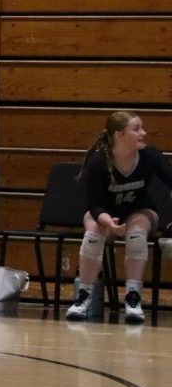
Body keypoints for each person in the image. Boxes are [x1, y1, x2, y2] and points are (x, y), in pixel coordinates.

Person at [66, 111, 172, 323]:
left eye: (142, 127)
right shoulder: (98, 162)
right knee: (94, 233)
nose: (144, 133)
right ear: (119, 135)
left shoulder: (150, 156)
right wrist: (109, 223)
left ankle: (133, 298)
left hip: (140, 210)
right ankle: (83, 296)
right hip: (105, 213)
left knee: (136, 232)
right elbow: (94, 204)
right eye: (136, 129)